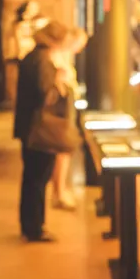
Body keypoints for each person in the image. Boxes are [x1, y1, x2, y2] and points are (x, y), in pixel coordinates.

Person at [14, 20, 71, 242]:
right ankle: (35, 227)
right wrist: (60, 81)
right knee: (37, 179)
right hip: (40, 130)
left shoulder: (32, 57)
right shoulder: (42, 61)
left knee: (31, 178)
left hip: (30, 127)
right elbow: (44, 93)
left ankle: (30, 225)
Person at [49, 27, 89, 211]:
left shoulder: (61, 56)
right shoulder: (56, 56)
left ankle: (60, 188)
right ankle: (59, 191)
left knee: (64, 151)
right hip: (61, 109)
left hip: (66, 107)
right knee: (61, 150)